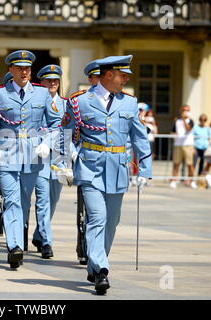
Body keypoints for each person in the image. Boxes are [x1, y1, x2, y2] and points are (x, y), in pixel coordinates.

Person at [58, 55, 152, 295]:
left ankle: (94, 262)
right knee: (97, 218)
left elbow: (139, 136)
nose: (127, 79)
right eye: (123, 75)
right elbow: (65, 134)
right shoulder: (80, 102)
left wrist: (144, 168)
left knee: (112, 222)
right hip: (90, 167)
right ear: (108, 75)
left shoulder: (129, 103)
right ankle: (101, 270)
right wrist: (63, 164)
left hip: (118, 169)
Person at [0, 50, 62, 268]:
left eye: (27, 68)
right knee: (12, 200)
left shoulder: (42, 93)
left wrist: (47, 142)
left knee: (24, 202)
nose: (24, 71)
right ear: (11, 70)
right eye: (19, 68)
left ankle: (16, 240)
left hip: (33, 155)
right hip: (7, 153)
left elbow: (55, 124)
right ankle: (14, 246)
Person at [31, 64, 66, 258]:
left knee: (53, 199)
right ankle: (46, 242)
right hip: (40, 155)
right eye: (48, 80)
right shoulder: (35, 102)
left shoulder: (66, 105)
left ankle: (38, 233)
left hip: (60, 156)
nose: (52, 83)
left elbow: (70, 131)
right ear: (41, 83)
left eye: (55, 80)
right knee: (42, 199)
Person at [170, 105, 196, 189]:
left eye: (187, 110)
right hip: (178, 144)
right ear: (181, 111)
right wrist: (174, 136)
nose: (185, 111)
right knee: (176, 164)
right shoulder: (177, 121)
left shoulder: (190, 120)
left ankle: (192, 181)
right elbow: (173, 131)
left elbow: (188, 129)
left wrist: (184, 119)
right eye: (184, 110)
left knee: (190, 164)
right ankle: (174, 180)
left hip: (188, 145)